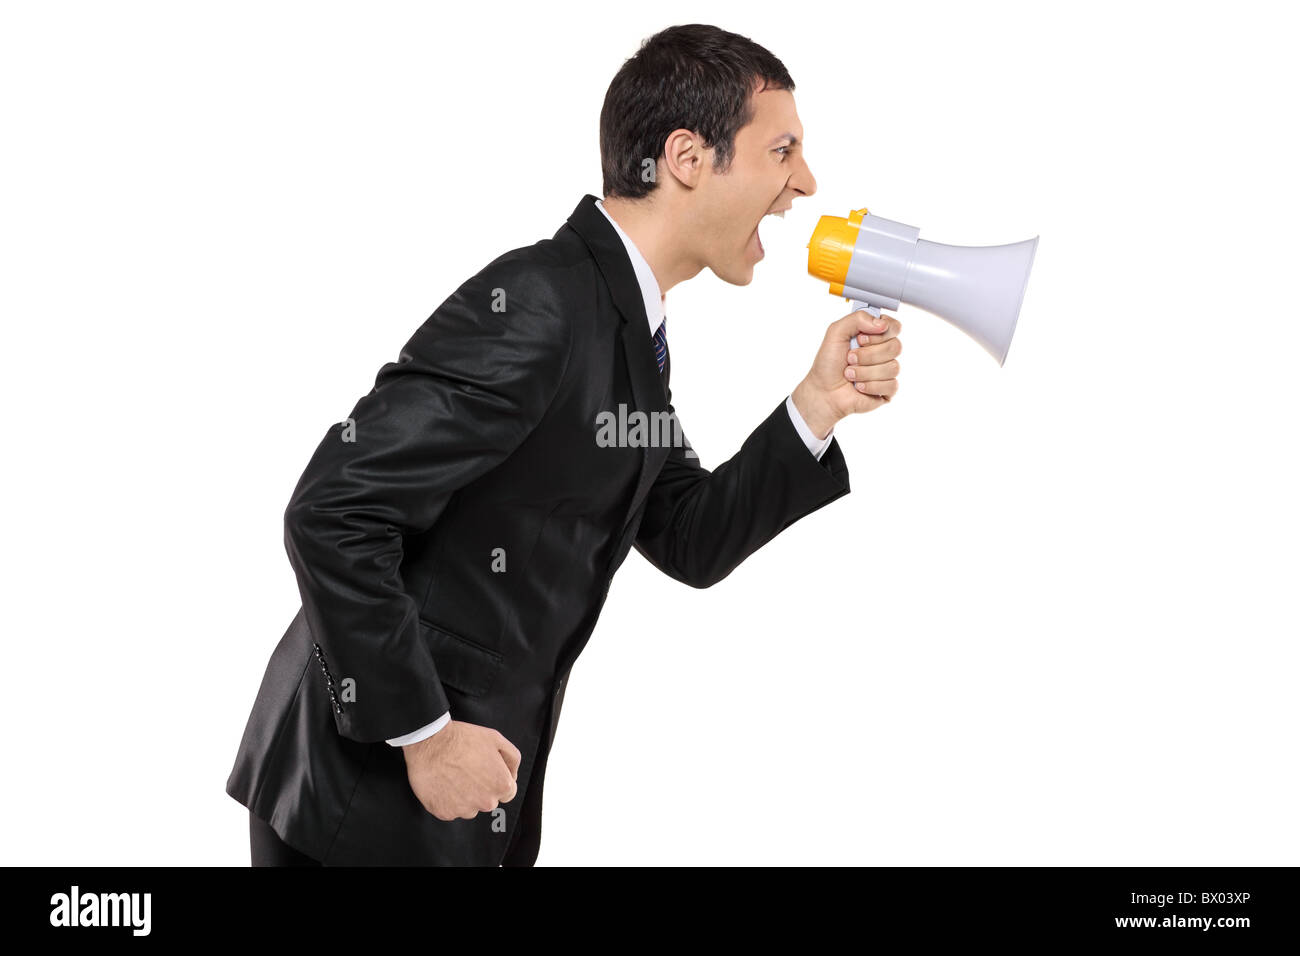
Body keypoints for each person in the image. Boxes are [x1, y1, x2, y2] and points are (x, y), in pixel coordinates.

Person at [227, 22, 902, 866]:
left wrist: (816, 405)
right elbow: (333, 509)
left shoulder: (628, 329)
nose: (804, 182)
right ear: (688, 159)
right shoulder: (542, 304)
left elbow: (690, 536)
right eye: (782, 150)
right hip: (363, 802)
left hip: (462, 805)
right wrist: (424, 735)